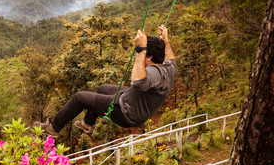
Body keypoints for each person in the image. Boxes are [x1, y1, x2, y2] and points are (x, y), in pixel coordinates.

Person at [34, 25, 177, 138]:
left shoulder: (153, 73)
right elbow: (170, 56)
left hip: (126, 113)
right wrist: (165, 39)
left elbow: (137, 83)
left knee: (80, 97)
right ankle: (88, 123)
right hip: (133, 101)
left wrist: (141, 50)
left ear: (149, 57)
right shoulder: (169, 67)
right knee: (103, 88)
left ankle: (53, 128)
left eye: (144, 55)